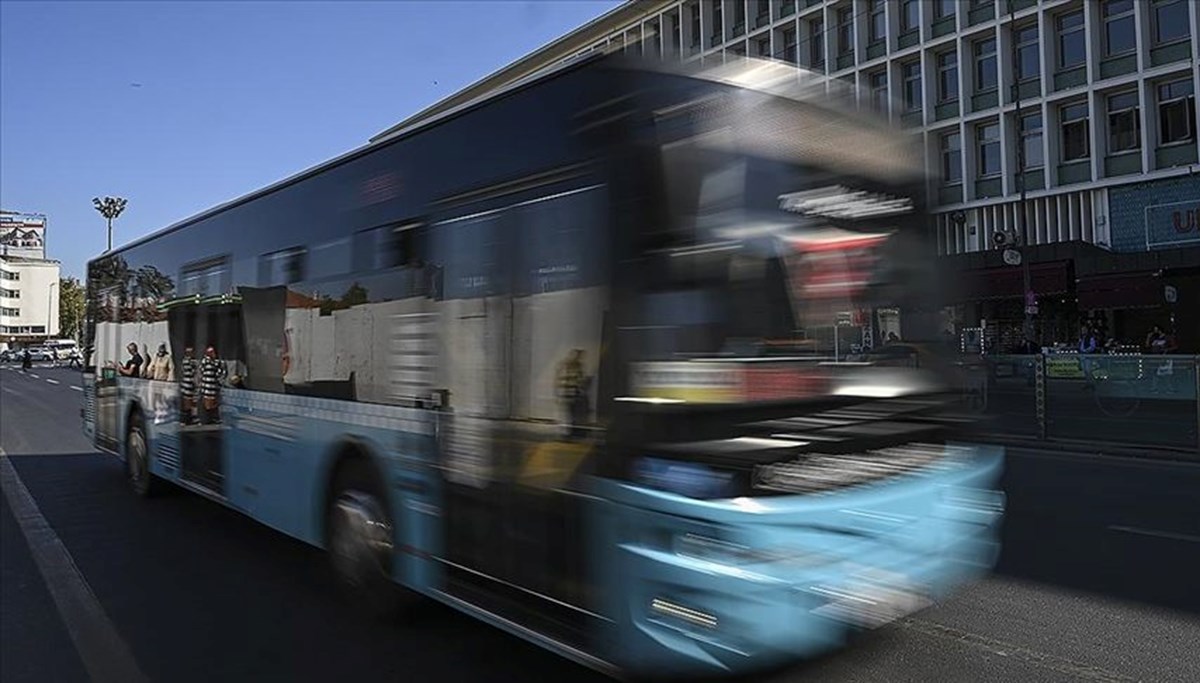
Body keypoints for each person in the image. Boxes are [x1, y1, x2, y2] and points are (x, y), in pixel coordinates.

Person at [555, 348, 591, 440]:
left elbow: (559, 380)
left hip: (570, 394)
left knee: (571, 414)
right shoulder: (574, 366)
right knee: (572, 414)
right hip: (571, 395)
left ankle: (571, 432)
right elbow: (579, 381)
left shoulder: (565, 365)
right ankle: (571, 432)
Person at [198, 346, 227, 425]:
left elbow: (222, 372)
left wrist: (218, 378)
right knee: (206, 403)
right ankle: (204, 419)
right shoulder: (205, 361)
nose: (214, 354)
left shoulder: (217, 362)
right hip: (206, 386)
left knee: (213, 403)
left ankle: (213, 418)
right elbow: (201, 371)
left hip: (213, 386)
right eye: (212, 352)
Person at [179, 346, 198, 425]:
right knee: (187, 403)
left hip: (189, 384)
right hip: (187, 384)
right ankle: (186, 420)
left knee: (191, 403)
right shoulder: (189, 361)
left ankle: (190, 419)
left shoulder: (187, 361)